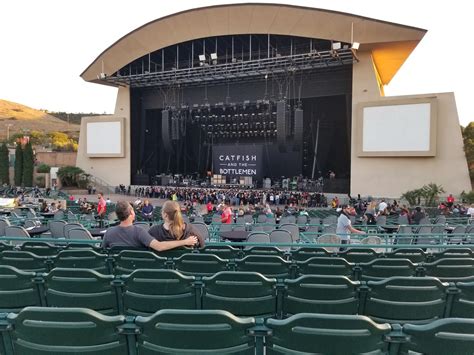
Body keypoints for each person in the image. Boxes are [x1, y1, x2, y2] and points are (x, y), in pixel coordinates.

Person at [102, 201, 198, 250]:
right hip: (136, 275)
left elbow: (103, 252)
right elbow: (159, 247)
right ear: (132, 213)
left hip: (116, 275)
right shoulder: (139, 232)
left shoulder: (109, 232)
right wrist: (184, 241)